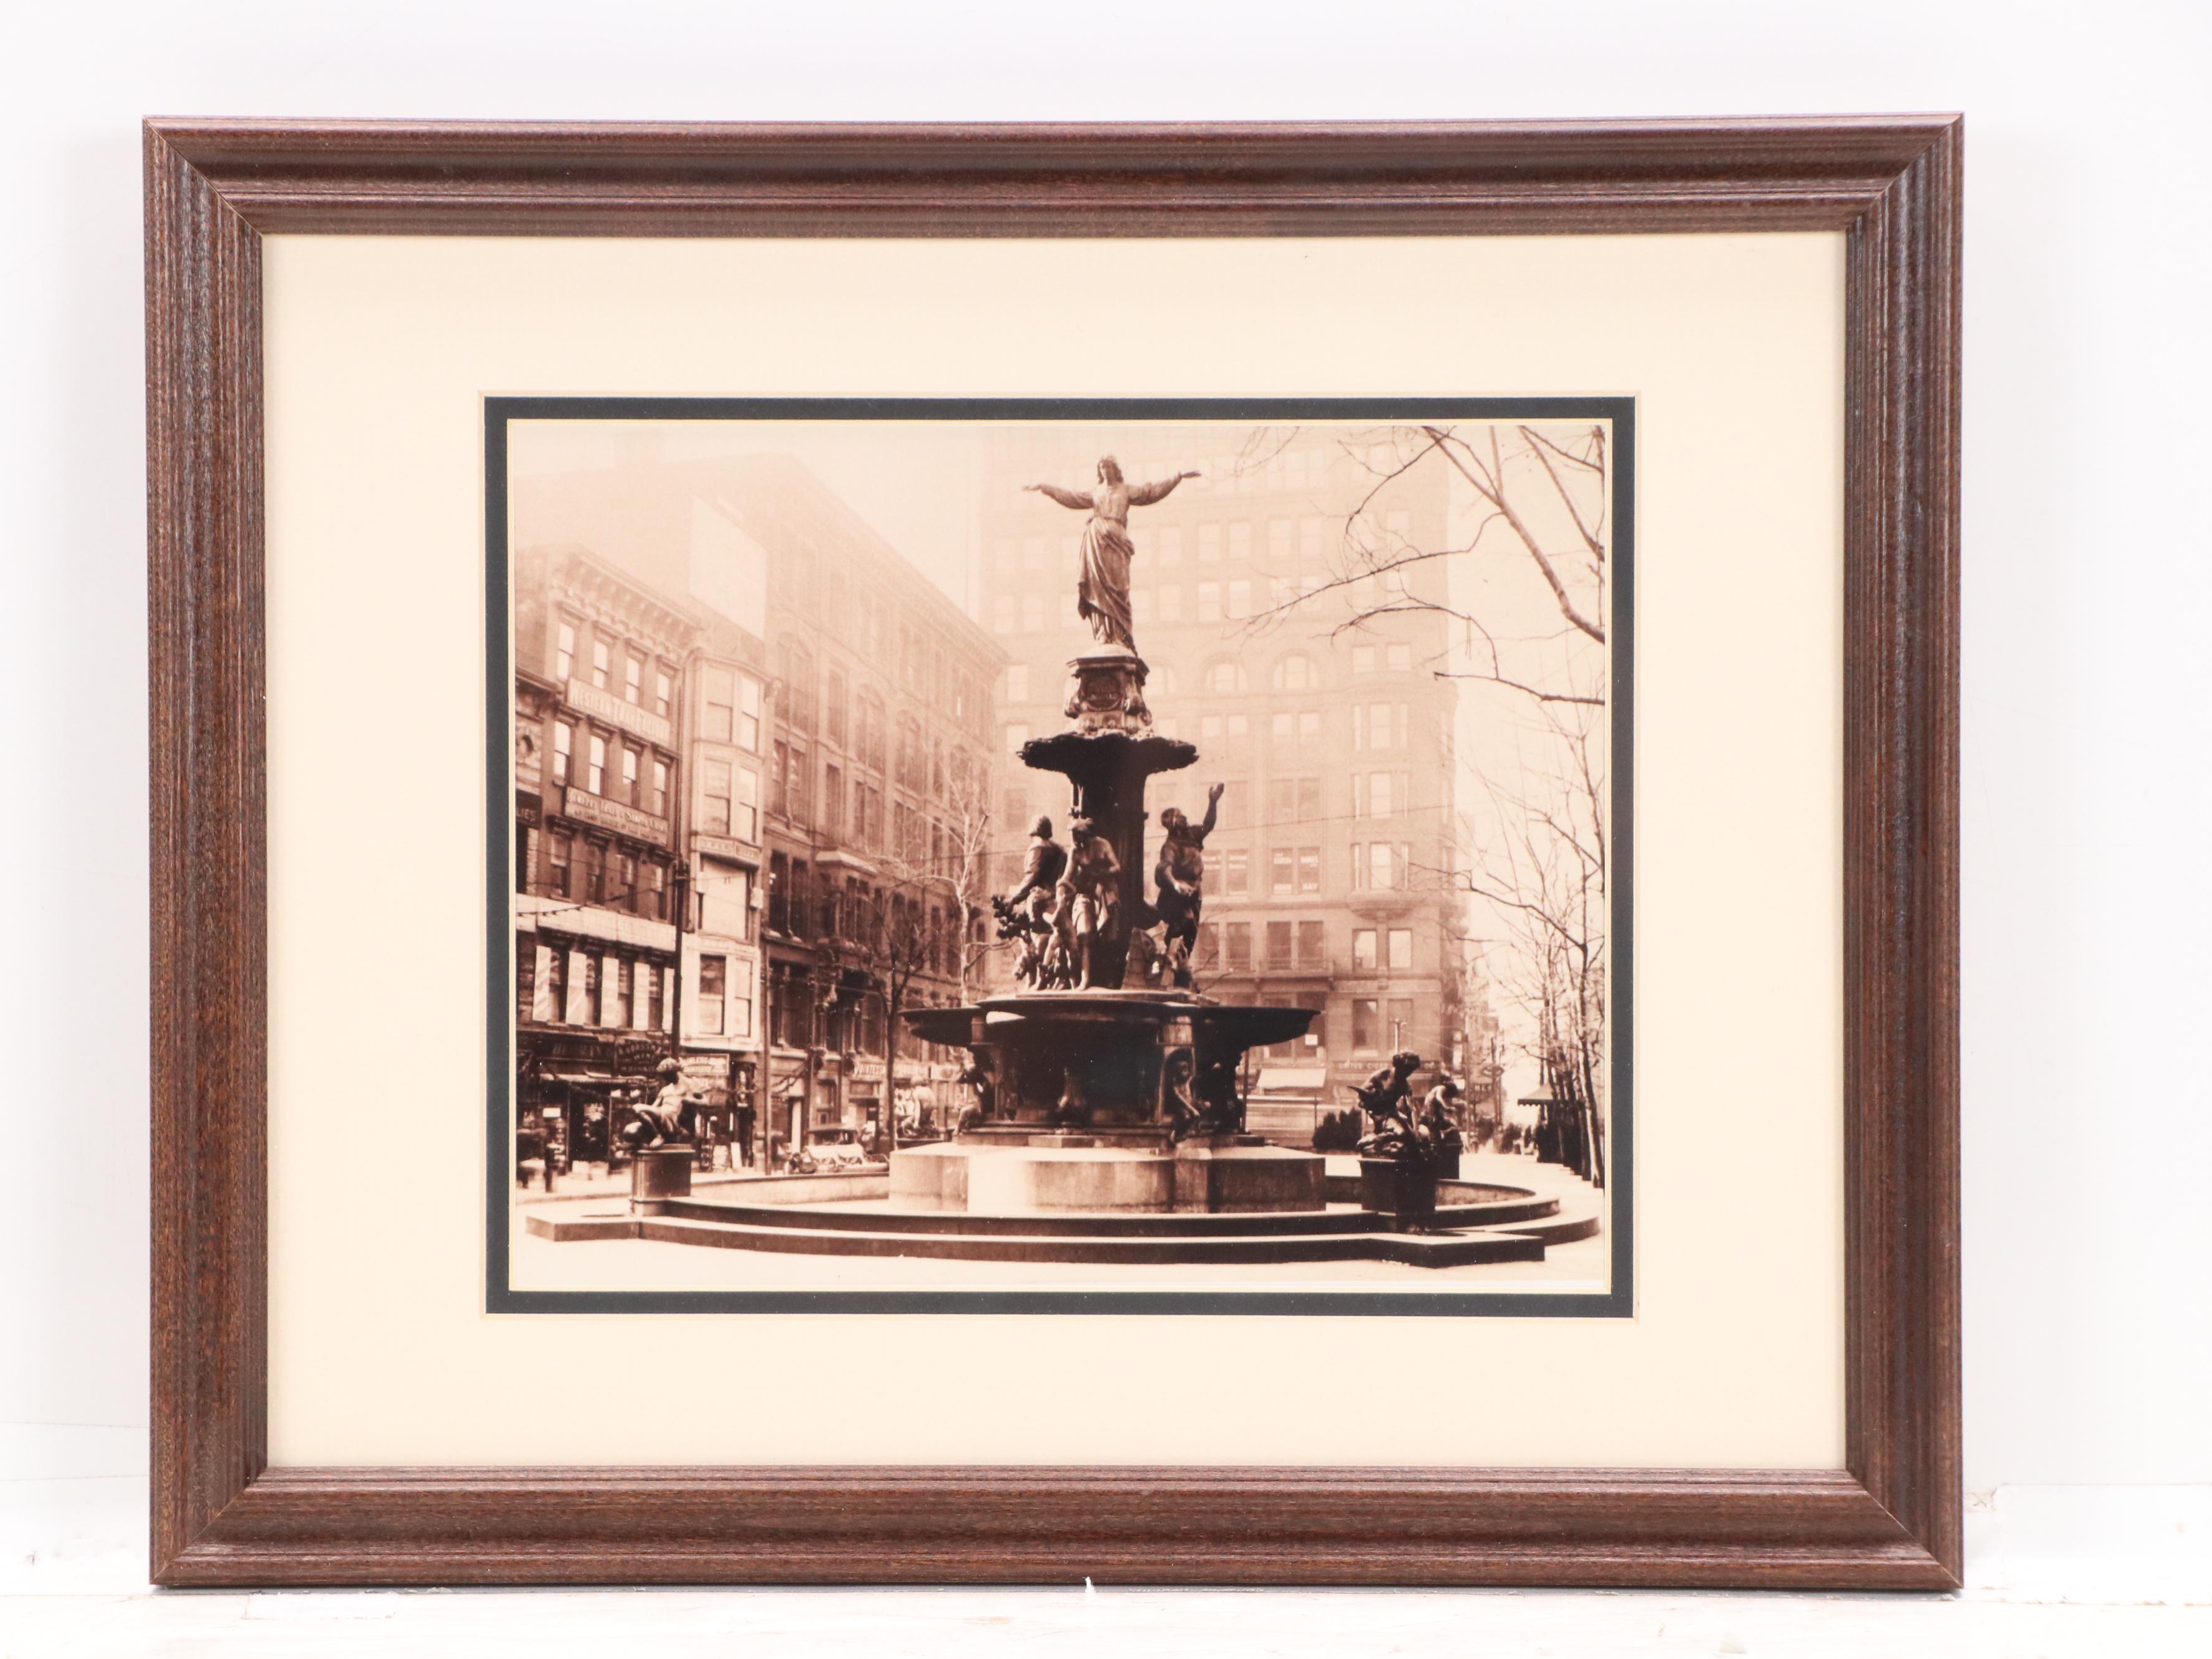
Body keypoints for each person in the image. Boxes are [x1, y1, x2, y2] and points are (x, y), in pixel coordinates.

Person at [1026, 456, 1201, 652]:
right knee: (1098, 587)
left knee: (1119, 587)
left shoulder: (1125, 490)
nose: (1105, 471)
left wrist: (1177, 477)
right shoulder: (1096, 492)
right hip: (1097, 540)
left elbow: (1150, 492)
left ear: (1115, 470)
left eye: (1108, 467)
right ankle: (1103, 633)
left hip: (1117, 541)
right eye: (1102, 468)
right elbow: (1072, 498)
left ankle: (1120, 634)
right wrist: (1046, 488)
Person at [1154, 782, 1226, 988]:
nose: (1184, 817)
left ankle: (1181, 967)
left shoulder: (1193, 835)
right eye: (1179, 817)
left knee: (1191, 930)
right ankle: (1169, 961)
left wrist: (1213, 802)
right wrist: (1176, 885)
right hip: (1179, 893)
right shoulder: (1171, 845)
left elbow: (1208, 825)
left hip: (1195, 890)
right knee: (1184, 921)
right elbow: (1165, 868)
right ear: (1172, 823)